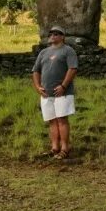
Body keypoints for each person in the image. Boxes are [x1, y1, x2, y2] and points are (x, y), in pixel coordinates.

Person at [31, 26, 78, 159]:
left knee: (62, 120)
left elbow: (73, 69)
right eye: (51, 33)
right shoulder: (43, 52)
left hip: (63, 92)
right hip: (46, 93)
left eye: (57, 33)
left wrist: (63, 86)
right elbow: (36, 71)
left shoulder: (68, 51)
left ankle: (65, 148)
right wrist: (37, 86)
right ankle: (55, 147)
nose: (53, 35)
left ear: (63, 36)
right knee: (52, 121)